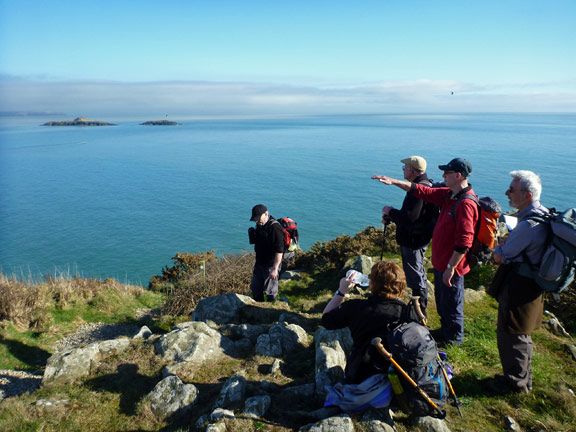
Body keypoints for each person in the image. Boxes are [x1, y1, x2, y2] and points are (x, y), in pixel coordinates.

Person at [372, 158, 479, 345]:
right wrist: (394, 181)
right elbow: (423, 191)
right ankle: (445, 330)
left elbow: (464, 240)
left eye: (447, 172)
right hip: (441, 261)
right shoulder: (449, 194)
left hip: (451, 264)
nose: (443, 175)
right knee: (443, 300)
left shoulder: (465, 203)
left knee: (452, 302)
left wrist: (451, 267)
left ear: (458, 175)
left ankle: (454, 340)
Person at [488, 170, 547, 394]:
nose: (507, 192)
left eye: (512, 189)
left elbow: (501, 257)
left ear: (527, 195)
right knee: (522, 332)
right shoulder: (541, 216)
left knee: (512, 333)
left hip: (519, 285)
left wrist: (497, 245)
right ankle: (523, 378)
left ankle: (515, 384)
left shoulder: (527, 226)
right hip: (532, 283)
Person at [321, 261, 407, 384]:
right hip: (399, 373)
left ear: (371, 283)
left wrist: (341, 291)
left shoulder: (356, 307)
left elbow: (326, 320)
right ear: (401, 285)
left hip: (362, 374)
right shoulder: (406, 311)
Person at [382, 156, 437, 316]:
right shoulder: (423, 185)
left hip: (413, 241)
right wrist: (392, 216)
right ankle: (417, 309)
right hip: (419, 238)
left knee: (415, 276)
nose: (403, 170)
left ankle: (419, 312)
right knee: (416, 273)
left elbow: (410, 218)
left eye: (405, 168)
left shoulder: (418, 190)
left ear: (412, 170)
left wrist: (390, 211)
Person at [248, 204, 284, 302]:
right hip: (259, 263)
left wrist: (275, 269)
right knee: (255, 289)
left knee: (270, 292)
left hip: (270, 265)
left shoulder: (275, 228)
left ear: (266, 214)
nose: (256, 221)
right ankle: (258, 310)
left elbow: (280, 250)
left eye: (258, 218)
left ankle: (271, 312)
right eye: (255, 219)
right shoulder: (260, 225)